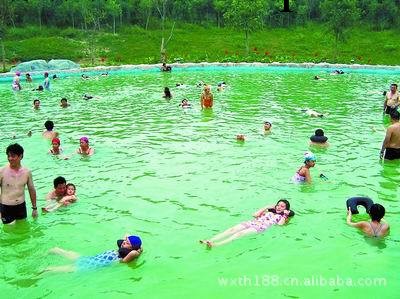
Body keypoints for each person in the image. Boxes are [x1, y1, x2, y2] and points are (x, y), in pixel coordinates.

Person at [200, 200, 292, 248]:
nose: (279, 207)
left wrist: (285, 215)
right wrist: (266, 207)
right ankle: (210, 240)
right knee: (231, 230)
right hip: (252, 222)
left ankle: (216, 244)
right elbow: (254, 215)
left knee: (240, 234)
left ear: (286, 209)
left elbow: (280, 225)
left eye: (282, 206)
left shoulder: (283, 217)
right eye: (278, 205)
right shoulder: (269, 211)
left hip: (260, 227)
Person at [44, 235, 143, 272]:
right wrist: (136, 245)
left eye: (127, 243)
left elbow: (134, 253)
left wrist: (138, 250)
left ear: (132, 248)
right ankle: (48, 253)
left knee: (52, 270)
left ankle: (43, 269)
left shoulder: (126, 257)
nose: (124, 242)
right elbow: (127, 234)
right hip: (89, 259)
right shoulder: (122, 248)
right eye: (125, 241)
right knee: (60, 251)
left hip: (89, 266)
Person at [0, 143, 38, 224]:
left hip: (21, 207)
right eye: (8, 156)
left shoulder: (27, 172)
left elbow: (31, 190)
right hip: (6, 207)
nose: (10, 158)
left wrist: (34, 208)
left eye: (13, 156)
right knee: (10, 232)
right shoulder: (2, 171)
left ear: (20, 156)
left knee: (23, 230)